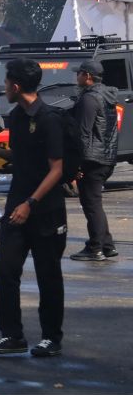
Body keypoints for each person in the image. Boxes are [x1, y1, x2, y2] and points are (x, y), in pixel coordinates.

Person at [0, 57, 67, 358]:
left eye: (6, 82)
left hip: (44, 210)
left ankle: (50, 338)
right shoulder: (16, 117)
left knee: (48, 275)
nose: (4, 87)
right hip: (16, 208)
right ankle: (12, 335)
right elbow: (20, 158)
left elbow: (56, 169)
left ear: (16, 86)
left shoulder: (50, 119)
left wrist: (30, 203)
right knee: (6, 269)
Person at [69, 59, 119, 261]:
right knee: (94, 203)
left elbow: (83, 133)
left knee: (91, 204)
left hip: (92, 159)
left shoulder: (89, 99)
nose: (77, 76)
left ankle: (95, 248)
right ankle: (107, 245)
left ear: (87, 76)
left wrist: (76, 164)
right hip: (106, 157)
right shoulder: (105, 96)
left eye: (79, 73)